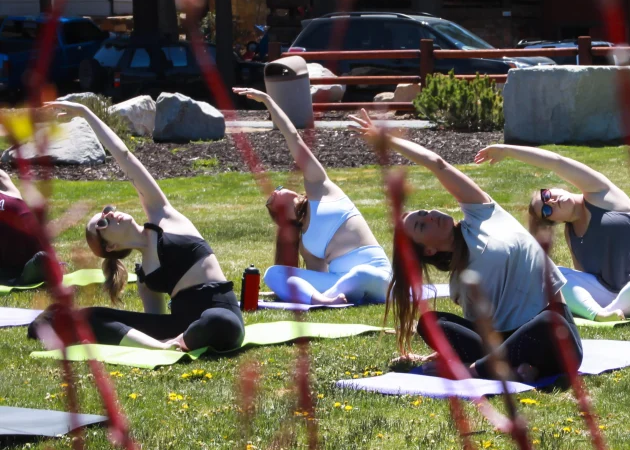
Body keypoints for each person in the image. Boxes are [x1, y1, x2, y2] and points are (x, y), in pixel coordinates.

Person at [350, 111, 582, 383]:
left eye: (424, 212)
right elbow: (485, 336)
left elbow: (438, 165)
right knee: (431, 323)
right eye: (422, 226)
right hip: (508, 344)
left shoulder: (482, 214)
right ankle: (513, 367)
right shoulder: (460, 283)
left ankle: (475, 370)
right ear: (428, 251)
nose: (430, 215)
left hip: (553, 338)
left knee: (550, 325)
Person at [30, 101, 244, 352]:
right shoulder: (146, 277)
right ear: (111, 246)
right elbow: (154, 320)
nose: (110, 215)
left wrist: (86, 113)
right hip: (180, 325)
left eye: (106, 211)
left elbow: (124, 156)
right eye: (102, 223)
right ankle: (164, 347)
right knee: (91, 316)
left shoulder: (163, 216)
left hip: (219, 314)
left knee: (217, 321)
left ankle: (182, 341)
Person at [474, 144, 630, 322]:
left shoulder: (601, 194)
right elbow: (585, 281)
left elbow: (556, 162)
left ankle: (604, 313)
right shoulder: (572, 236)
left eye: (546, 195)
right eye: (546, 210)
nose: (551, 201)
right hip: (612, 294)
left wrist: (507, 150)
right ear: (554, 221)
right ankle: (601, 314)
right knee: (554, 274)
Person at [233, 88, 392, 306]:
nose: (275, 191)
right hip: (338, 284)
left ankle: (328, 299)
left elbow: (293, 138)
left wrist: (268, 101)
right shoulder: (305, 244)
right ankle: (326, 300)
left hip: (376, 276)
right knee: (274, 274)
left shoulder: (320, 189)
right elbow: (317, 276)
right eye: (271, 200)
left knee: (360, 274)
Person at [0, 169, 50, 286]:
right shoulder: (4, 180)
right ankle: (40, 264)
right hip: (18, 209)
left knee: (9, 272)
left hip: (8, 251)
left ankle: (23, 274)